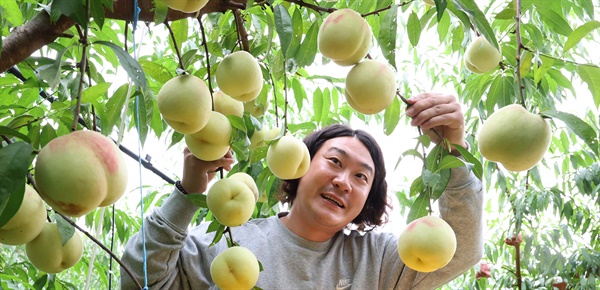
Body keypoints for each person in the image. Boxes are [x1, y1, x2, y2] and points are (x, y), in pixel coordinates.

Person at [121, 92, 484, 289]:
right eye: (335, 162)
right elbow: (141, 280)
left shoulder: (379, 261)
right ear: (299, 166)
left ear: (367, 200)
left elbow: (461, 250)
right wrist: (188, 192)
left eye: (362, 178)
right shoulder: (224, 244)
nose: (344, 181)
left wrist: (451, 153)